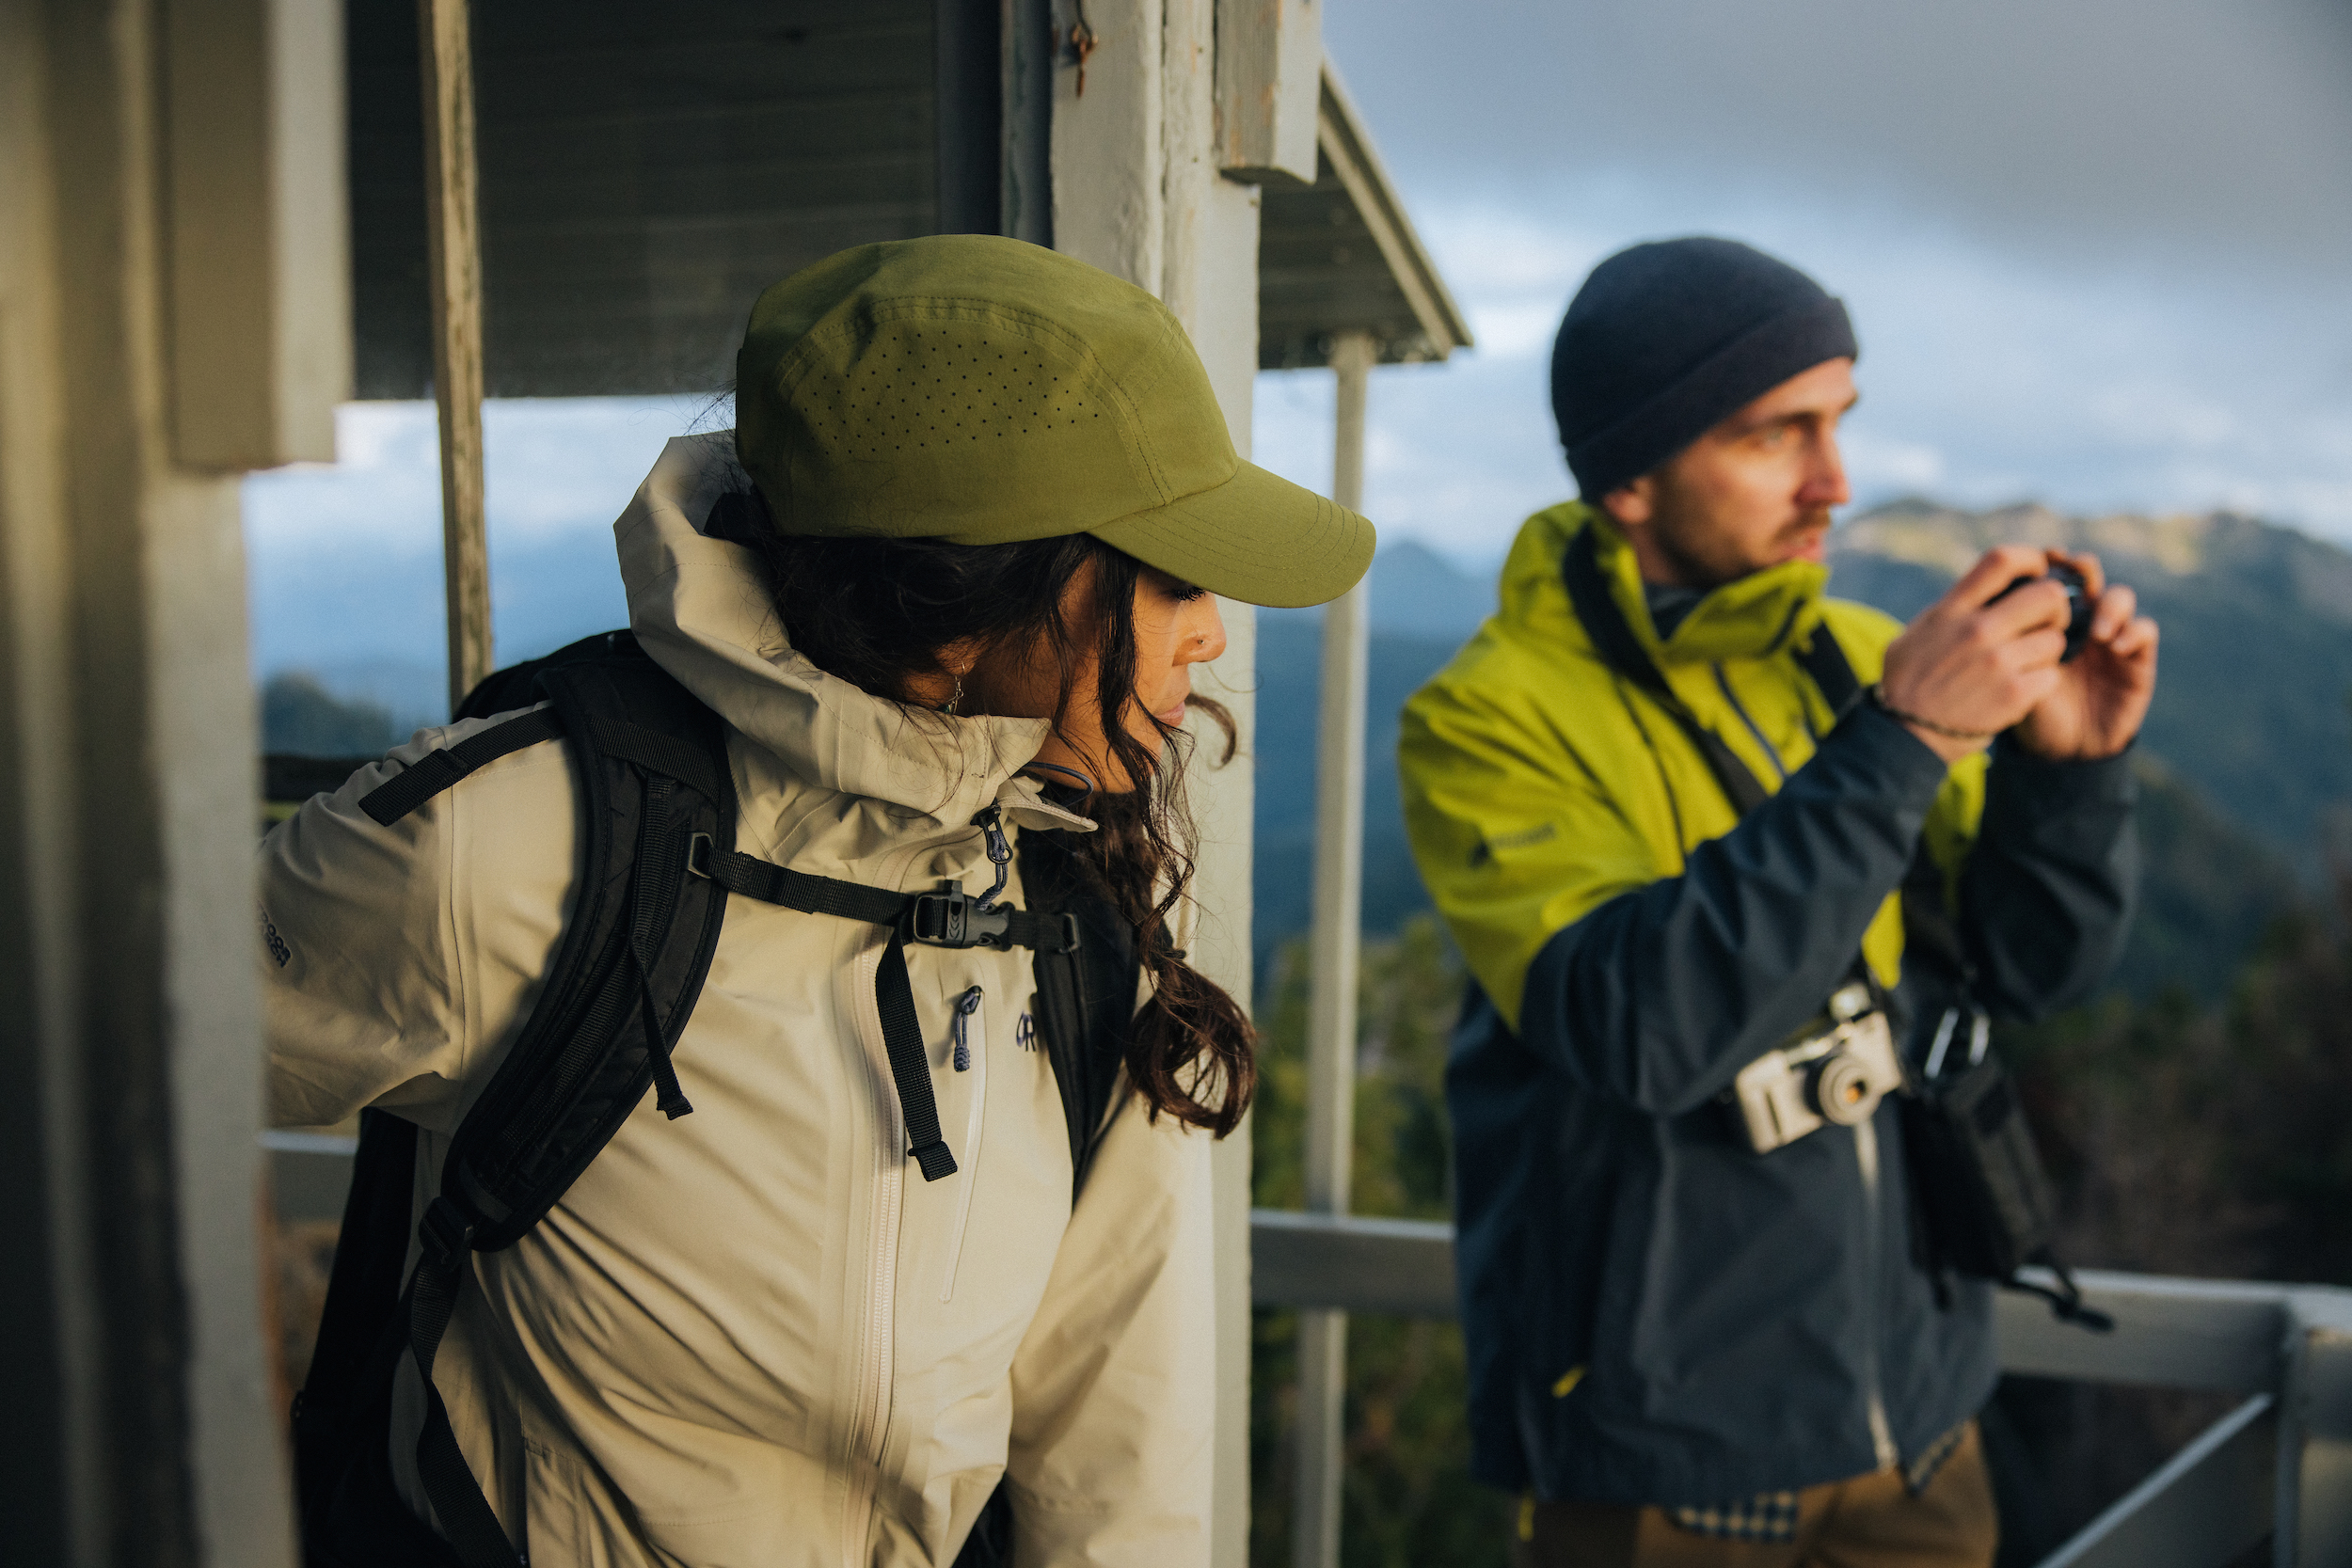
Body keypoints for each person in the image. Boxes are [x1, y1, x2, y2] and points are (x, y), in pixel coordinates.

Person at [262, 235, 1371, 1567]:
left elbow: (1120, 1460)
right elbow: (90, 1091)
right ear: (975, 596)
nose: (1212, 632)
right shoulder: (512, 846)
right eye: (1173, 572)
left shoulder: (1082, 904)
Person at [1397, 237, 2157, 1567]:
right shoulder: (1486, 718)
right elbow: (1641, 1028)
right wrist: (1903, 743)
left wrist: (2068, 783)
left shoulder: (1855, 664)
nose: (1835, 484)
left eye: (1839, 425)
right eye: (1776, 434)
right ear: (1631, 472)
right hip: (1666, 1460)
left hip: (1923, 1420)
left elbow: (2032, 974)